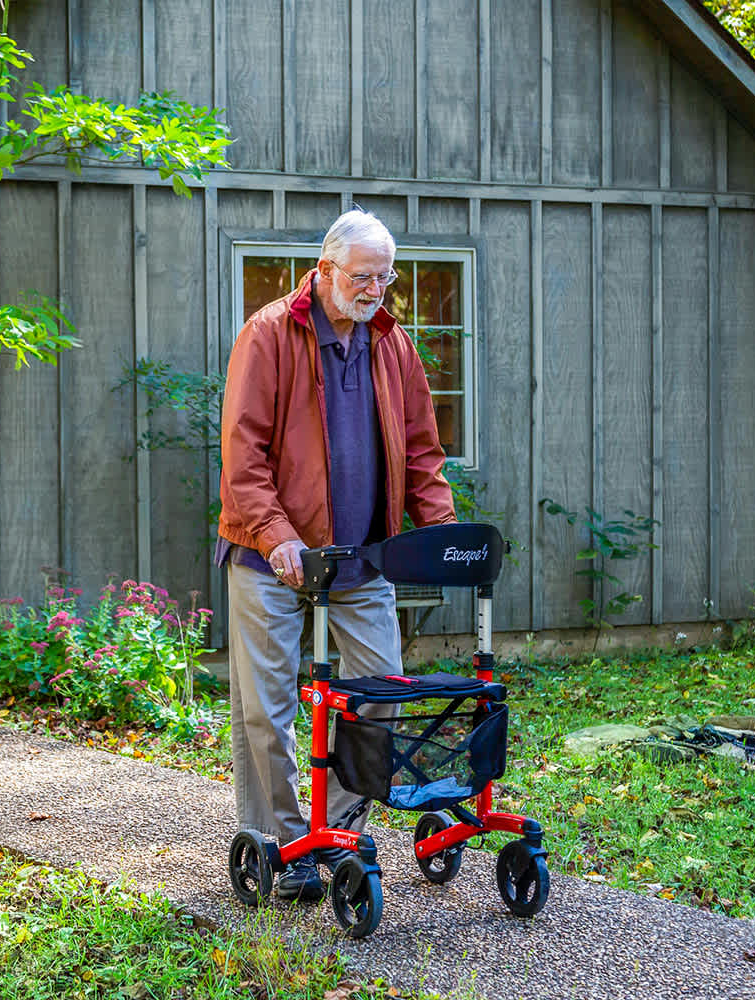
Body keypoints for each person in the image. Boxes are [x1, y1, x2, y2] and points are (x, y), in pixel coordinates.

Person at [217, 209, 456, 901]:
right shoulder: (268, 334)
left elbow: (420, 452)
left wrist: (438, 535)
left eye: (386, 276)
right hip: (271, 558)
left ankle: (339, 824)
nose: (375, 288)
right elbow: (244, 454)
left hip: (361, 560)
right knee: (266, 710)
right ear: (324, 270)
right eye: (363, 276)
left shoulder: (392, 344)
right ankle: (284, 842)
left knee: (381, 685)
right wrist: (276, 534)